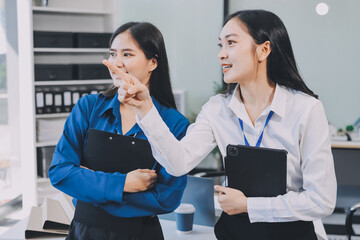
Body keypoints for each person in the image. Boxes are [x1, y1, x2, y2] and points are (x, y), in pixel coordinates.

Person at [104, 10, 337, 240]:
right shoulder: (217, 108)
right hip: (234, 232)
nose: (221, 54)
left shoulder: (306, 109)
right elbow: (178, 163)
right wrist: (145, 108)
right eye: (220, 45)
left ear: (263, 49)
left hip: (291, 234)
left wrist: (248, 205)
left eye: (231, 43)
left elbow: (321, 200)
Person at [49, 22, 189, 240]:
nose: (116, 63)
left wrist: (91, 185)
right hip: (84, 233)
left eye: (127, 54)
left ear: (152, 62)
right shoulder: (88, 107)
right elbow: (60, 172)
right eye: (113, 54)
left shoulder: (175, 123)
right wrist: (123, 184)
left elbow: (167, 197)